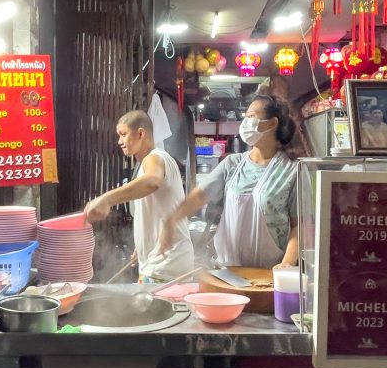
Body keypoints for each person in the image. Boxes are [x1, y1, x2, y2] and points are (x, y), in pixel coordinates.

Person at [158, 94, 299, 269]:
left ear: (271, 123)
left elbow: (299, 226)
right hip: (229, 271)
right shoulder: (233, 164)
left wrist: (287, 264)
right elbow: (200, 196)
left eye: (252, 116)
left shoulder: (291, 171)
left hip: (270, 273)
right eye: (245, 116)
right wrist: (172, 220)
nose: (245, 121)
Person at [84, 110, 195, 283]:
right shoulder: (150, 162)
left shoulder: (154, 158)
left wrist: (106, 199)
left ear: (141, 133)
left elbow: (152, 181)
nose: (119, 141)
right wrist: (143, 246)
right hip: (165, 262)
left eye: (123, 134)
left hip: (165, 265)